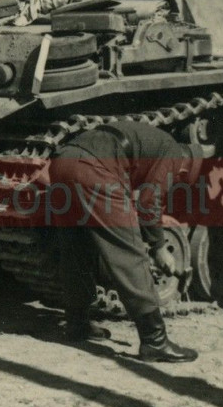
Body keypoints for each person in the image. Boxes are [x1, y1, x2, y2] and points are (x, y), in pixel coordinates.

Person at [49, 121, 212, 363]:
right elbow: (148, 202)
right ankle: (154, 341)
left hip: (62, 163)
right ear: (185, 171)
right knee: (130, 254)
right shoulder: (174, 156)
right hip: (95, 170)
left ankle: (77, 323)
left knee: (77, 248)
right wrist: (157, 247)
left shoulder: (156, 141)